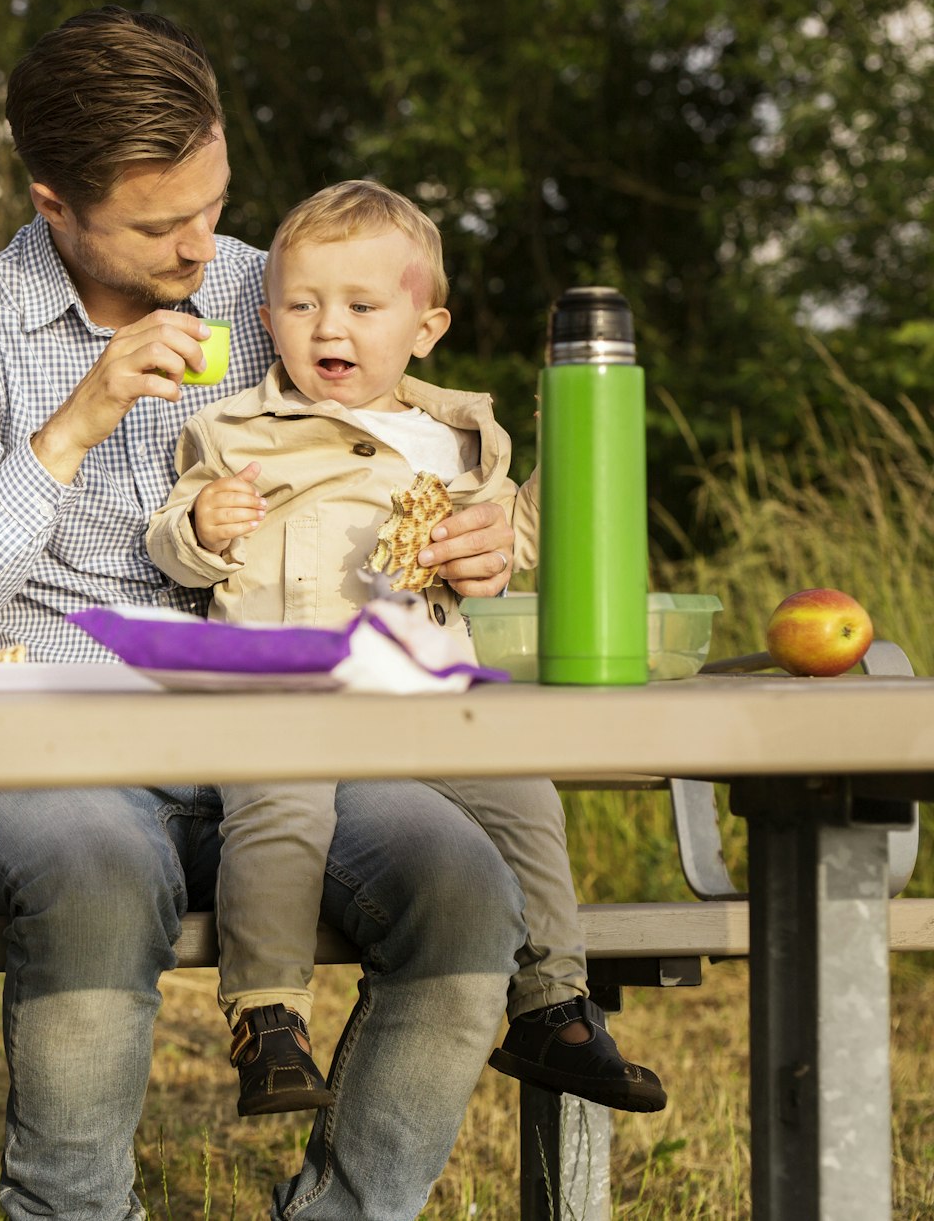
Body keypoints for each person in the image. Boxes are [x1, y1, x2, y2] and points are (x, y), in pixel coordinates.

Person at [0, 6, 527, 1220]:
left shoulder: (277, 294)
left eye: (212, 200)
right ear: (54, 204)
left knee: (463, 881)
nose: (202, 245)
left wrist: (477, 534)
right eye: (159, 223)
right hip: (46, 748)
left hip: (286, 744)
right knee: (98, 868)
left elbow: (413, 465)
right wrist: (69, 428)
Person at [145, 179, 667, 1119]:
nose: (326, 327)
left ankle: (553, 1006)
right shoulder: (235, 431)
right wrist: (205, 525)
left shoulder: (460, 445)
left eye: (359, 305)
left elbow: (521, 551)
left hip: (425, 695)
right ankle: (268, 1017)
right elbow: (173, 539)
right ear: (269, 319)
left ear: (426, 327)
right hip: (284, 693)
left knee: (523, 797)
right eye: (301, 305)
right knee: (277, 807)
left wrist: (503, 535)